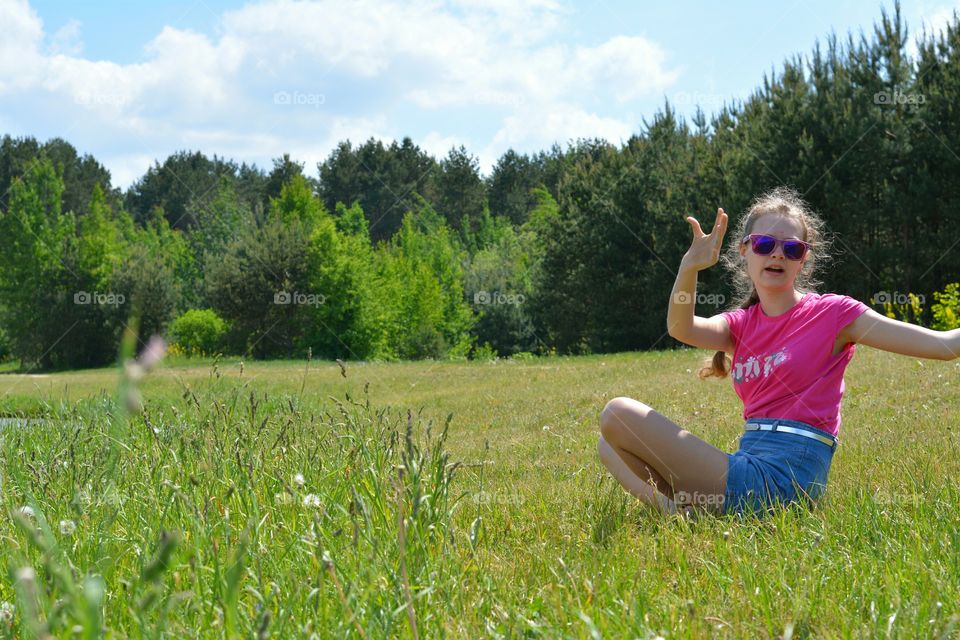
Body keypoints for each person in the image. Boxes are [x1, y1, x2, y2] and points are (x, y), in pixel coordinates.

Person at [596, 186, 960, 519]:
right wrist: (689, 266)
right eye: (764, 244)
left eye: (792, 248)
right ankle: (680, 513)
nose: (777, 254)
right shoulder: (740, 325)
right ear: (743, 250)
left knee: (618, 412)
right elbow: (681, 328)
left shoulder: (834, 314)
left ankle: (689, 513)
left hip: (787, 482)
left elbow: (944, 346)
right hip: (748, 466)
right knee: (608, 444)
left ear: (803, 260)